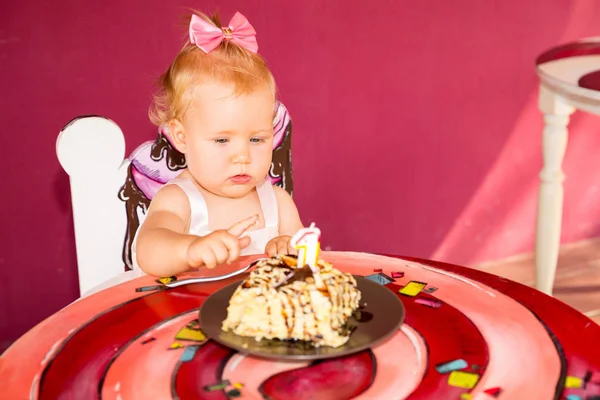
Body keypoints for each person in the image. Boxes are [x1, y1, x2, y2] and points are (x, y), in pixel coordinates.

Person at [133, 10, 303, 277]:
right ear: (182, 137)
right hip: (193, 316)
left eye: (256, 139)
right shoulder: (180, 200)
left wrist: (288, 248)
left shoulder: (277, 203)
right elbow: (148, 252)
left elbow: (305, 258)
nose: (242, 156)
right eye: (222, 140)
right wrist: (189, 250)